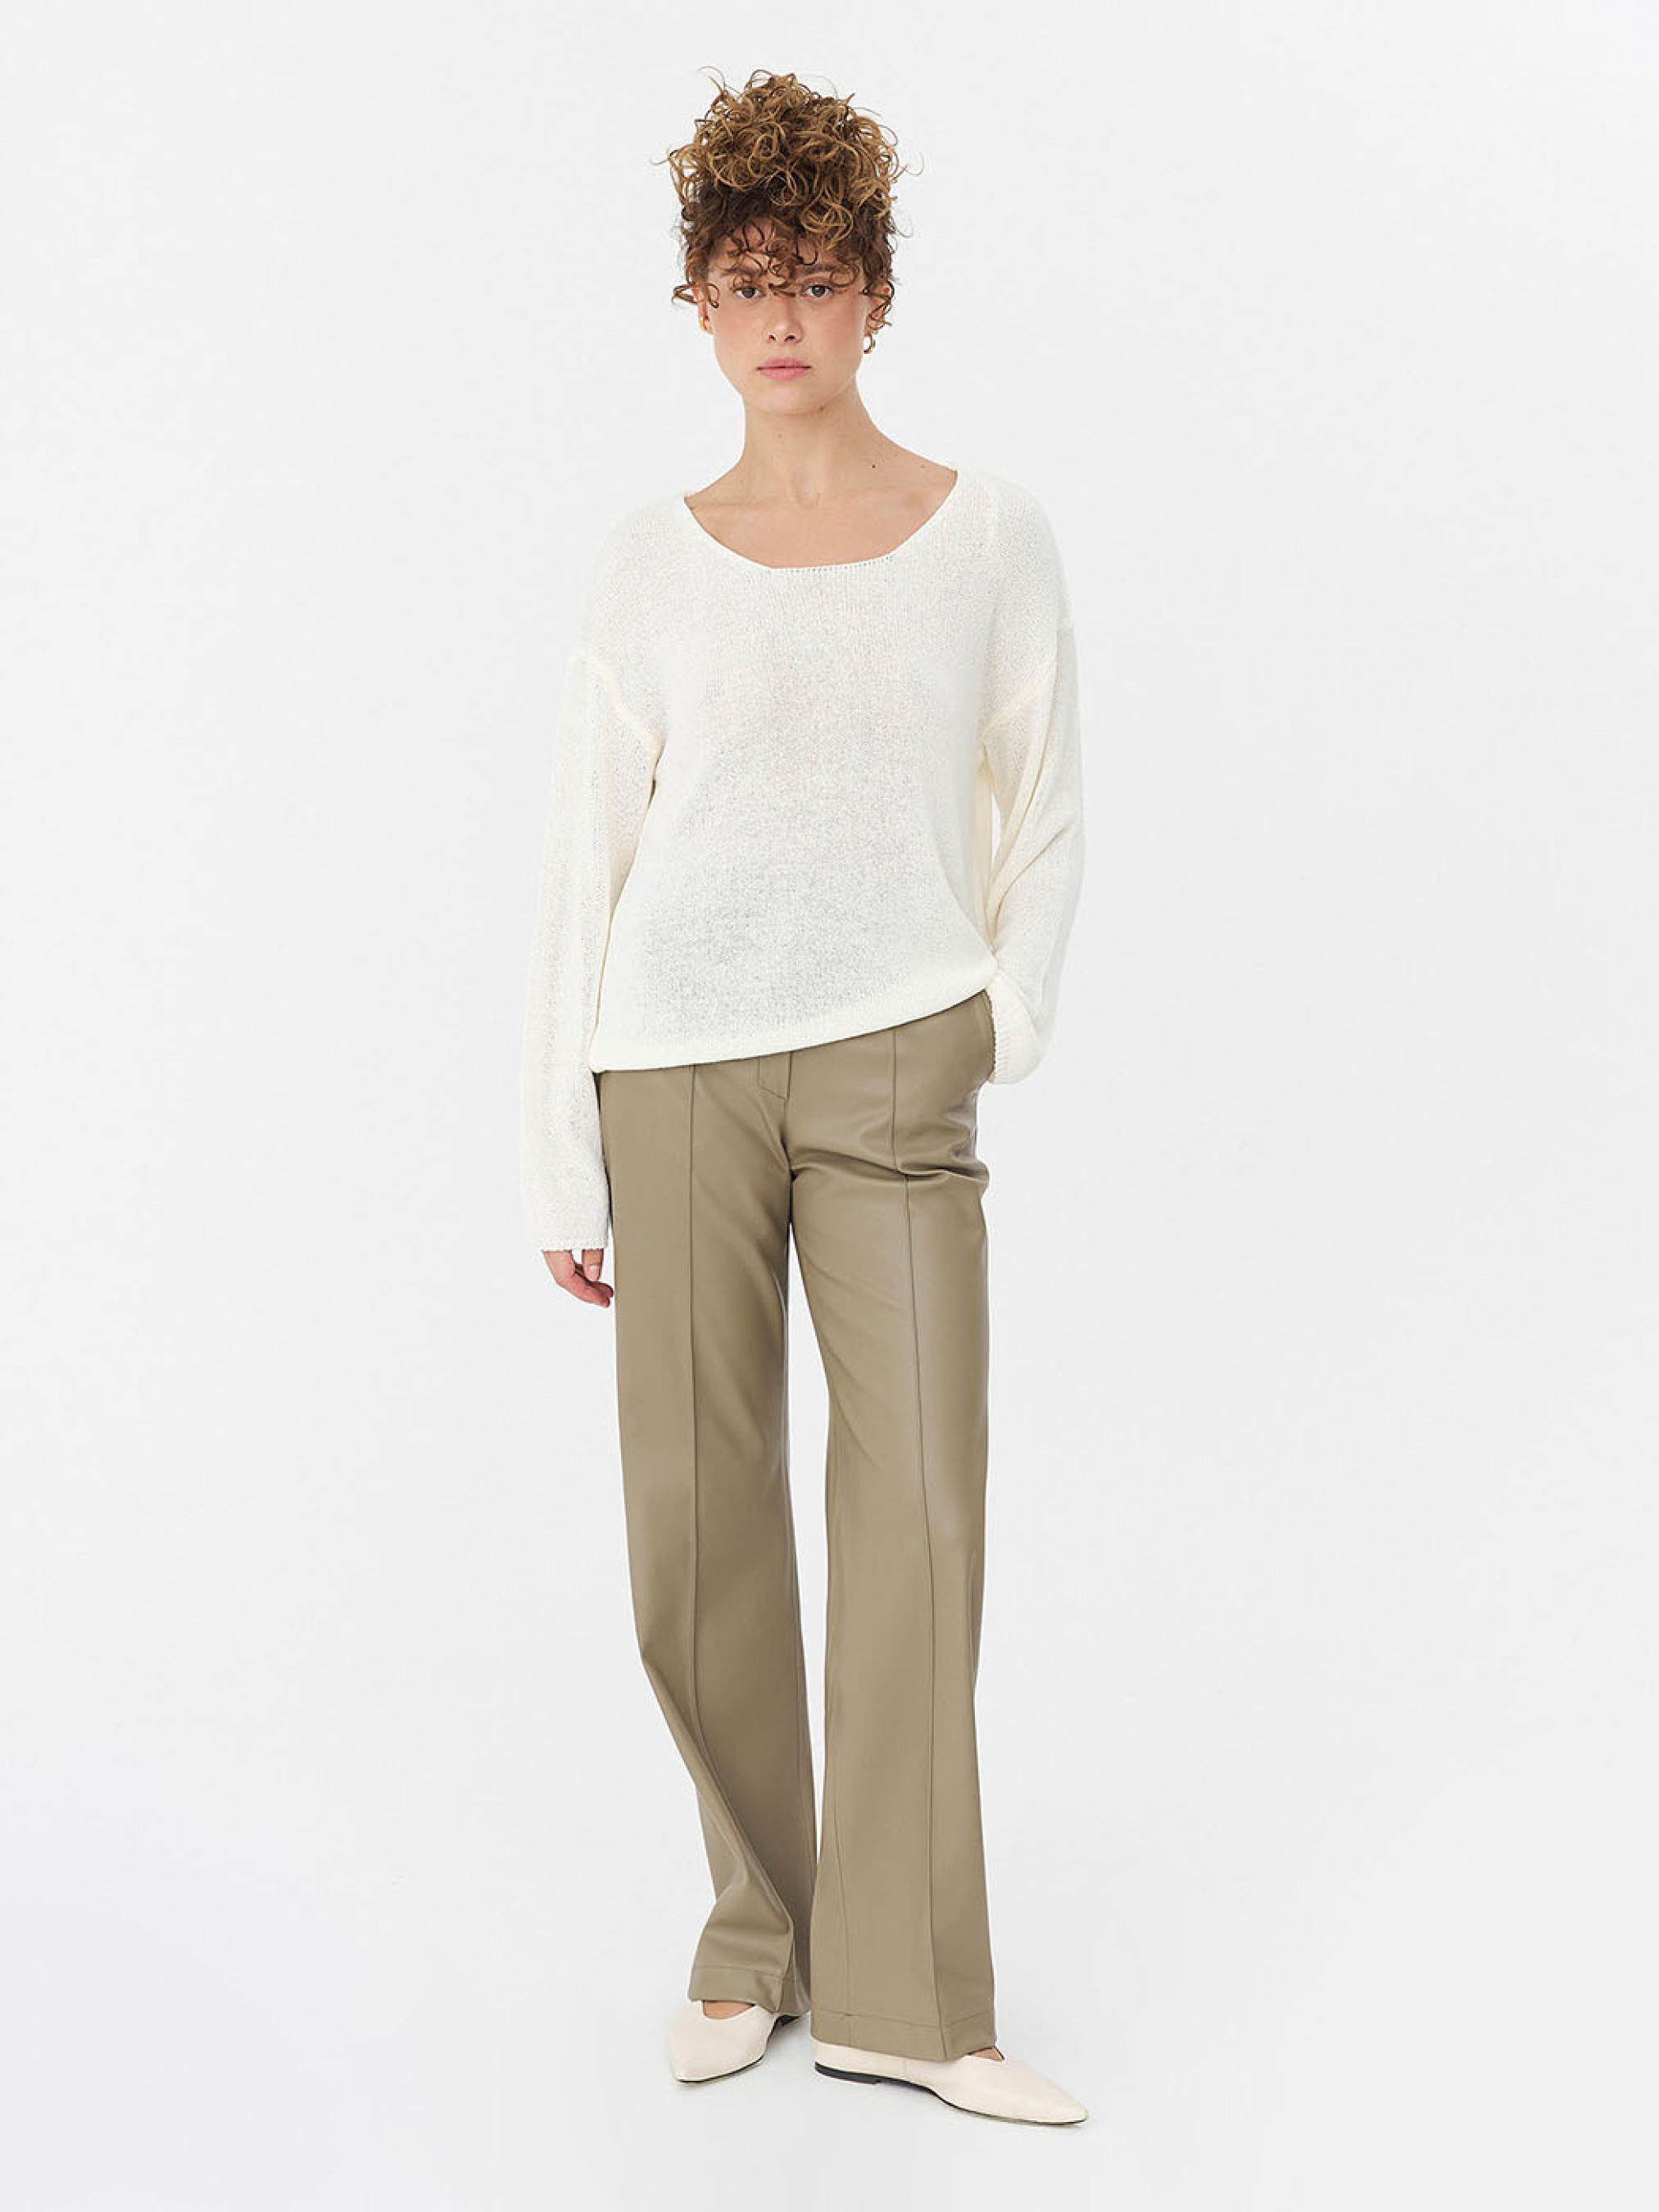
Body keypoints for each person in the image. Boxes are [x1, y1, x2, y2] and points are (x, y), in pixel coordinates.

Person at [519, 68, 1088, 2126]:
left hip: (894, 1051)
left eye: (818, 278)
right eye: (745, 280)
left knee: (919, 1503)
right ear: (695, 304)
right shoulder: (640, 567)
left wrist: (995, 1019)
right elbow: (585, 860)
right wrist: (557, 1145)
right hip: (668, 1061)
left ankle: (908, 1998)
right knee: (692, 1526)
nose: (781, 318)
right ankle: (756, 1931)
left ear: (874, 298)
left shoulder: (987, 535)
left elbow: (1043, 798)